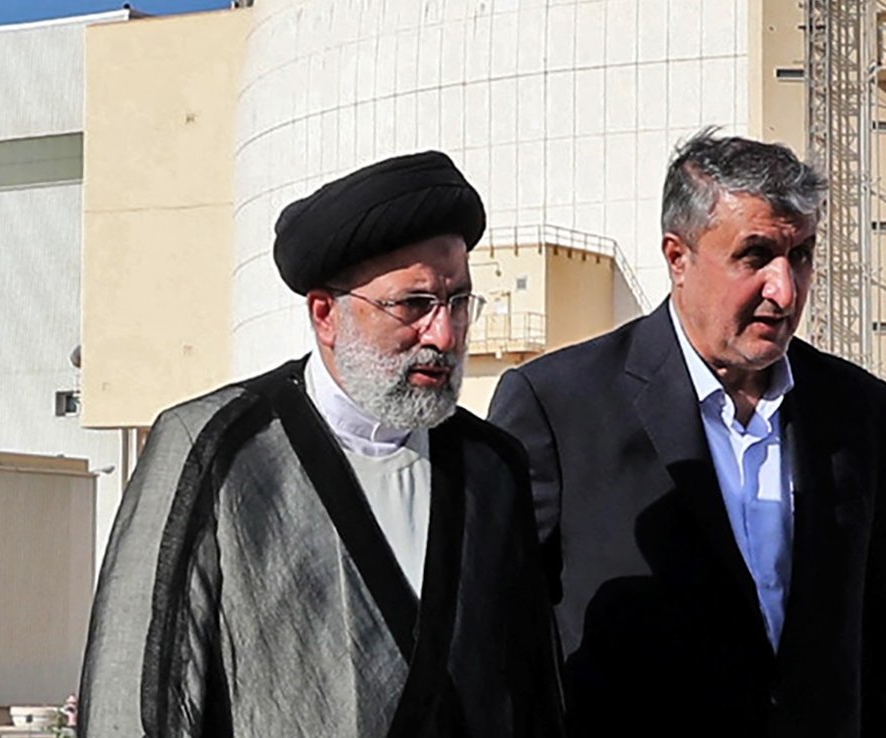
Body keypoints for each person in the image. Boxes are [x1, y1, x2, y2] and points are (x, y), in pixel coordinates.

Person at [78, 151, 560, 738]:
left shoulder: (491, 465)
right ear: (327, 314)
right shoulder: (217, 452)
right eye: (414, 304)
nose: (445, 333)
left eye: (459, 302)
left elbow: (532, 688)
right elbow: (143, 696)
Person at [489, 130, 886, 738]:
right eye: (755, 256)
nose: (785, 289)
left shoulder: (859, 410)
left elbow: (883, 637)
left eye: (800, 254)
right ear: (678, 257)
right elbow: (500, 638)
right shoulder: (558, 407)